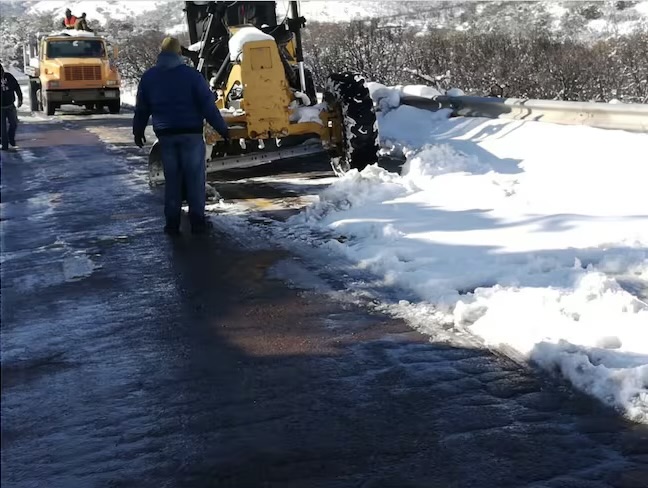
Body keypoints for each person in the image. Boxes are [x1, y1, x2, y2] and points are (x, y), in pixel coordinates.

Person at [133, 37, 229, 235]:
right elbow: (208, 107)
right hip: (191, 135)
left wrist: (138, 130)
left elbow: (142, 108)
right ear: (179, 54)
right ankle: (197, 222)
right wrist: (223, 130)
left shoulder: (149, 77)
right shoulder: (191, 76)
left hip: (166, 137)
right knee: (194, 178)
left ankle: (172, 223)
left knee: (173, 180)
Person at [1, 64, 23, 152]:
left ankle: (11, 138)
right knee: (2, 128)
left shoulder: (9, 77)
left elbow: (17, 87)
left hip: (10, 105)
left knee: (13, 124)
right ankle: (4, 145)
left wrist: (20, 99)